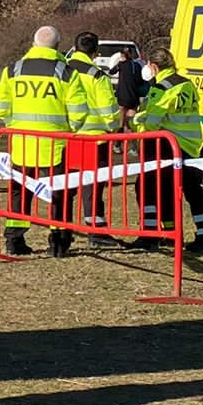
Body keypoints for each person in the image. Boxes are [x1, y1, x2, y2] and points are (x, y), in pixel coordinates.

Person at [0, 26, 81, 257]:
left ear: (33, 44)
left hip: (21, 142)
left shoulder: (13, 70)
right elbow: (79, 112)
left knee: (19, 192)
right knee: (58, 194)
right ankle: (59, 243)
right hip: (54, 144)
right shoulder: (66, 72)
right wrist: (69, 128)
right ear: (58, 46)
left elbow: (0, 108)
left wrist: (16, 124)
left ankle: (14, 240)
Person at [130, 47, 203, 255]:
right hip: (191, 146)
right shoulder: (187, 84)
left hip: (169, 148)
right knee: (193, 192)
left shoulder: (162, 88)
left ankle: (149, 235)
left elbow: (152, 124)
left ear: (154, 66)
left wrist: (135, 120)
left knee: (147, 186)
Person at [65, 31, 124, 248]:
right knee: (93, 189)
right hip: (95, 140)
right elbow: (109, 111)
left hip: (67, 137)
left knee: (65, 187)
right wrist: (113, 129)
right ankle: (96, 231)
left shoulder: (62, 70)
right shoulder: (97, 75)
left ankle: (62, 229)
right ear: (96, 51)